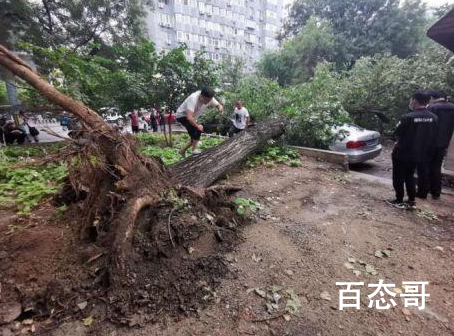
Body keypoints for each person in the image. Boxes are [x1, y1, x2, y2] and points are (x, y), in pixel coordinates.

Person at [387, 90, 438, 209]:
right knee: (410, 176)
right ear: (428, 101)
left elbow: (397, 133)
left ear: (414, 100)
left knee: (398, 176)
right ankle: (411, 200)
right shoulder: (434, 118)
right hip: (419, 154)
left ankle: (399, 199)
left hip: (402, 153)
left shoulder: (407, 117)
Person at [416, 90, 454, 200]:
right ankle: (436, 192)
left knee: (424, 167)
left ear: (433, 98)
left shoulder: (432, 108)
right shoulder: (452, 107)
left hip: (429, 143)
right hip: (443, 143)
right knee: (437, 167)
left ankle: (422, 191)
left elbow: (426, 126)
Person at [176, 87, 223, 156]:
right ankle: (194, 150)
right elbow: (189, 117)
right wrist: (197, 125)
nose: (207, 102)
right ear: (201, 95)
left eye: (209, 101)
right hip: (182, 116)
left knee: (196, 135)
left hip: (192, 117)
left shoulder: (210, 98)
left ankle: (182, 151)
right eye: (206, 100)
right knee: (197, 130)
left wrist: (220, 109)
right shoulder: (193, 98)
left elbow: (218, 105)